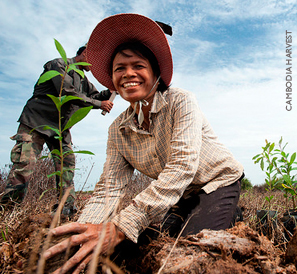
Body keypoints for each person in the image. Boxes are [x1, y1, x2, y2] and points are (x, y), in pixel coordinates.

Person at [43, 13, 244, 273]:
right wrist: (83, 234)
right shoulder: (118, 130)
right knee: (151, 241)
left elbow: (182, 167)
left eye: (138, 66)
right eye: (119, 69)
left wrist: (118, 227)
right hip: (181, 195)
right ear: (113, 80)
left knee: (190, 252)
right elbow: (108, 188)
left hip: (217, 181)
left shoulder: (181, 102)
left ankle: (235, 215)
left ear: (155, 73)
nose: (128, 74)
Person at [1, 44, 114, 213]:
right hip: (35, 122)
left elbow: (94, 97)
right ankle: (6, 211)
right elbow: (68, 93)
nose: (95, 67)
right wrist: (100, 104)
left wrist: (113, 89)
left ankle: (66, 209)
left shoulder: (83, 80)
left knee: (66, 164)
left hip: (60, 128)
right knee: (24, 166)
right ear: (85, 54)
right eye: (94, 62)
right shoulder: (58, 65)